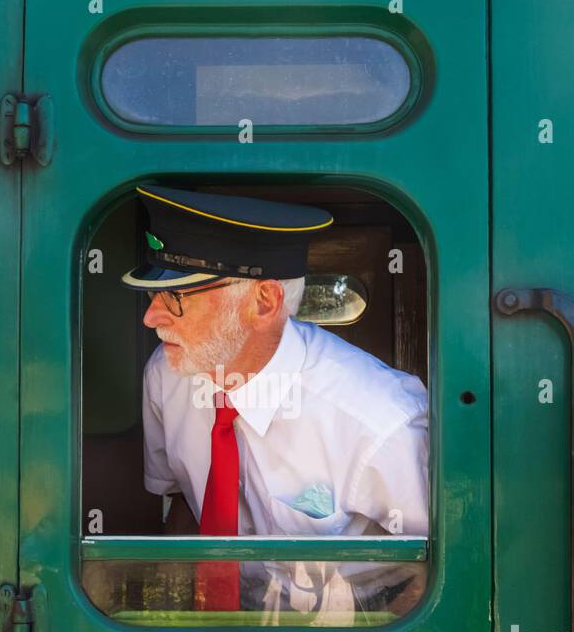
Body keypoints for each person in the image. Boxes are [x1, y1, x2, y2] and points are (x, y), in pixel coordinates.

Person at [121, 184, 429, 546]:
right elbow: (183, 505)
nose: (151, 317)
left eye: (174, 297)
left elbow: (441, 576)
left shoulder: (381, 425)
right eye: (152, 295)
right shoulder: (166, 374)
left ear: (264, 302)